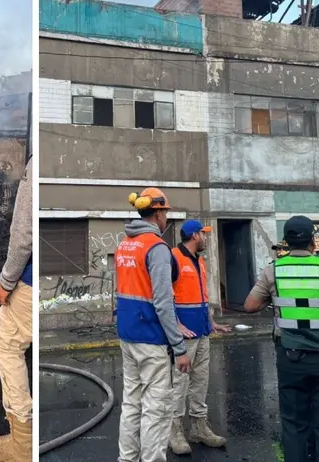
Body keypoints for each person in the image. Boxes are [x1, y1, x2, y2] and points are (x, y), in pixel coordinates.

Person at [244, 216, 319, 462]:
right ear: (312, 240)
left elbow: (250, 305)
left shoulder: (273, 269)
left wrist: (274, 298)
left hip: (290, 358)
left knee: (293, 424)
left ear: (287, 242)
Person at [115, 187, 189, 462]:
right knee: (156, 409)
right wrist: (179, 348)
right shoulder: (156, 248)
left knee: (132, 403)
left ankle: (127, 459)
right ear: (157, 213)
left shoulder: (125, 243)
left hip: (128, 334)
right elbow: (162, 302)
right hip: (150, 338)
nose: (166, 218)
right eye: (165, 213)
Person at [167, 219, 231, 456]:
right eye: (203, 234)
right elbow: (163, 294)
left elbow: (201, 295)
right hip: (184, 334)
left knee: (200, 380)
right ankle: (174, 430)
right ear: (194, 235)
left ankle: (198, 427)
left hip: (202, 330)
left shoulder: (198, 260)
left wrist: (211, 322)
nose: (206, 238)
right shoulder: (173, 258)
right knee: (180, 381)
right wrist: (176, 324)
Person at [0, 158, 33, 462]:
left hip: (27, 281)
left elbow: (23, 235)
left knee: (9, 345)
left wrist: (6, 281)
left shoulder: (37, 164)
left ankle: (22, 446)